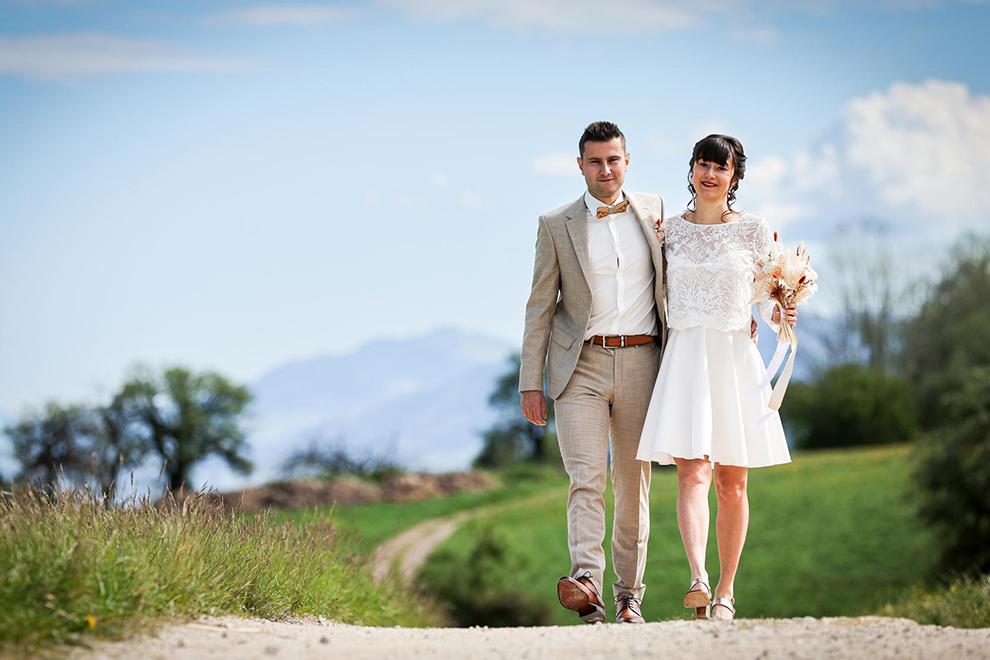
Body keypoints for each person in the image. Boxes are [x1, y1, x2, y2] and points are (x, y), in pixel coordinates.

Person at [636, 134, 797, 622]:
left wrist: (784, 308)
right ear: (691, 171)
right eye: (702, 165)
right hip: (685, 356)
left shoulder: (753, 230)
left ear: (734, 177)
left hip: (733, 358)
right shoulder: (668, 233)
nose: (710, 175)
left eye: (720, 168)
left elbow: (769, 302)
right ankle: (698, 580)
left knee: (733, 481)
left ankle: (726, 591)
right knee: (692, 471)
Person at [518, 121, 665, 624]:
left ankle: (629, 595)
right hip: (578, 364)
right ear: (580, 165)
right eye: (596, 161)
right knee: (586, 477)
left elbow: (690, 276)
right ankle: (587, 583)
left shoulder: (657, 212)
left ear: (628, 161)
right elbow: (540, 305)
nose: (606, 169)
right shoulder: (555, 223)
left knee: (632, 481)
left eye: (614, 160)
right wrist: (530, 381)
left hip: (645, 361)